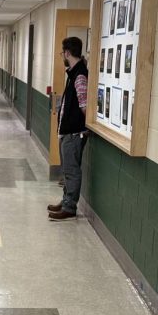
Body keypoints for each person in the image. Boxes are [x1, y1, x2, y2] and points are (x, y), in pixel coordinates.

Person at [47, 36, 89, 221]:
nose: (62, 56)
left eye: (62, 52)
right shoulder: (73, 73)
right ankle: (65, 201)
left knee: (72, 170)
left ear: (67, 52)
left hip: (74, 132)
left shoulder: (79, 76)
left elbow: (84, 106)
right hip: (67, 131)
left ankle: (69, 207)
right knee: (67, 170)